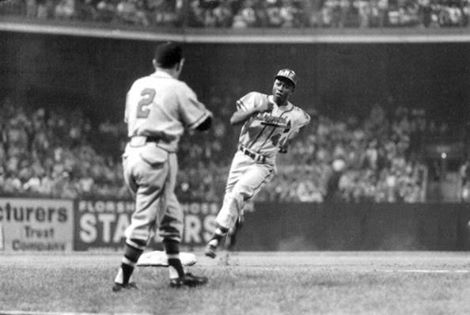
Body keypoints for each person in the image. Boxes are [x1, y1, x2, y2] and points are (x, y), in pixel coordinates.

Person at [113, 41, 212, 291]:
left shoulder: (138, 84)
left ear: (155, 62)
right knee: (145, 218)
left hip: (132, 153)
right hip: (157, 155)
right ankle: (122, 279)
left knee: (171, 216)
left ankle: (177, 274)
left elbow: (130, 118)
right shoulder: (177, 87)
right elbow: (202, 123)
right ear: (179, 65)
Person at [205, 69, 311, 258]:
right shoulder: (255, 98)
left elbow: (303, 124)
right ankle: (231, 241)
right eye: (279, 83)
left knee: (238, 193)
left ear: (291, 91)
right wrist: (255, 110)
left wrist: (288, 140)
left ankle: (215, 238)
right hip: (241, 157)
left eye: (286, 86)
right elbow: (233, 120)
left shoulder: (296, 114)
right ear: (273, 84)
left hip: (263, 164)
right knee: (232, 200)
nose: (281, 88)